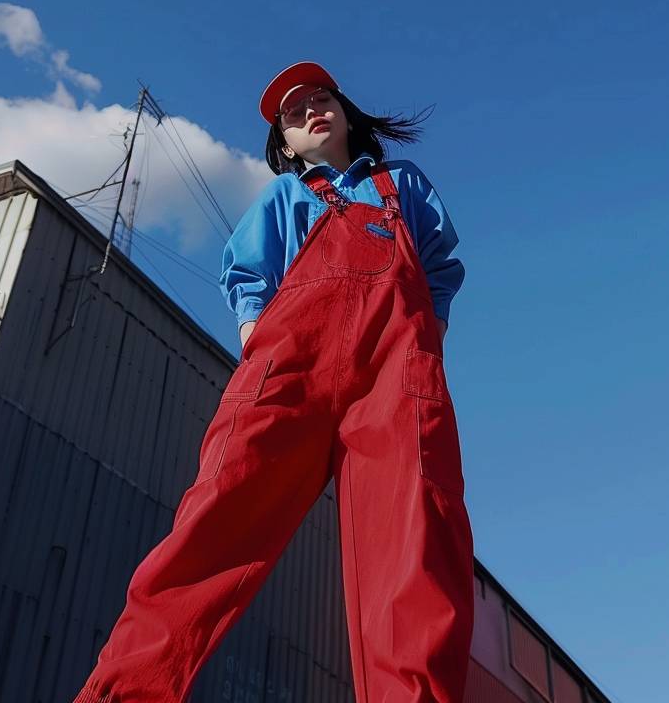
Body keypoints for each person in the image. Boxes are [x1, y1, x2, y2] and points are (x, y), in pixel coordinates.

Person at [71, 60, 475, 703]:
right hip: (292, 366)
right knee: (220, 516)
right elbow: (248, 278)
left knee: (416, 535)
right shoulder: (284, 198)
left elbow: (439, 266)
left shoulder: (402, 185)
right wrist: (259, 344)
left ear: (345, 112)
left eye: (322, 99)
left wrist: (431, 332)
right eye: (294, 113)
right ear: (284, 144)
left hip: (398, 372)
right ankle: (125, 693)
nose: (312, 111)